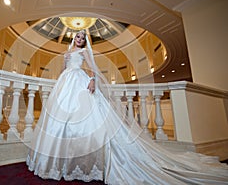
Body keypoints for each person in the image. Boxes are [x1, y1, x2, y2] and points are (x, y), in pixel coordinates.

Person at [26, 30, 228, 184]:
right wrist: (60, 84)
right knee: (61, 121)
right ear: (73, 38)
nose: (79, 39)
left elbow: (93, 68)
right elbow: (63, 71)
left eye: (82, 37)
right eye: (77, 36)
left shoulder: (85, 52)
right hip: (65, 83)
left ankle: (90, 162)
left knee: (88, 119)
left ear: (84, 40)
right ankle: (61, 161)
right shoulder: (66, 54)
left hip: (81, 82)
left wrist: (93, 79)